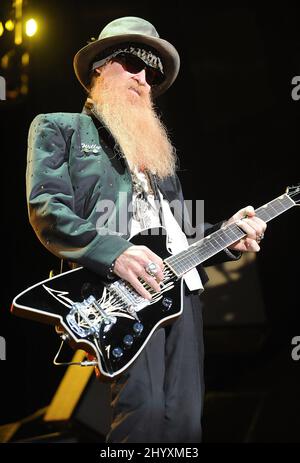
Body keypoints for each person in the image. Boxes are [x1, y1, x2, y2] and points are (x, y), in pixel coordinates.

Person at [26, 16, 267, 443]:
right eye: (133, 63)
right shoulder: (60, 127)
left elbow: (181, 236)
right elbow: (47, 208)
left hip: (182, 291)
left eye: (152, 73)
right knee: (144, 412)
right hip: (120, 288)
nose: (143, 78)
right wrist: (112, 252)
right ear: (100, 65)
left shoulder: (156, 152)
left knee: (186, 421)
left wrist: (228, 236)